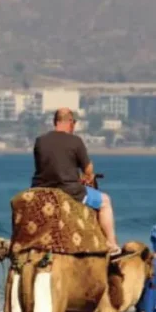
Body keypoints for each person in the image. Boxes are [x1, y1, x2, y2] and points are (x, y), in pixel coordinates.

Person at [31, 108, 120, 254]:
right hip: (70, 191)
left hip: (41, 190)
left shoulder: (40, 141)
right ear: (71, 122)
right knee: (105, 202)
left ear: (55, 122)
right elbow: (88, 170)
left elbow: (48, 167)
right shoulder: (75, 141)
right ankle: (111, 244)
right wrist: (87, 177)